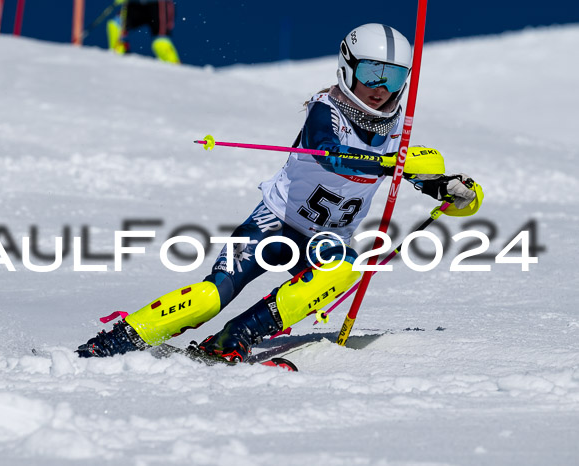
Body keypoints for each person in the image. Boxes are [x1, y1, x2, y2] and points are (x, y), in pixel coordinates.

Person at [76, 23, 483, 361]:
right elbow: (333, 155)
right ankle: (113, 342)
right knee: (209, 296)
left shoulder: (397, 129)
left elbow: (429, 182)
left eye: (392, 76)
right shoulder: (327, 109)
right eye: (371, 72)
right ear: (348, 67)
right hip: (271, 224)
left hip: (324, 242)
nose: (380, 87)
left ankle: (233, 340)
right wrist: (394, 163)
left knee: (346, 268)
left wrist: (455, 190)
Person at [107, 0, 180, 64]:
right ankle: (117, 58)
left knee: (160, 43)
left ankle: (175, 68)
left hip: (159, 4)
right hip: (136, 3)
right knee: (115, 25)